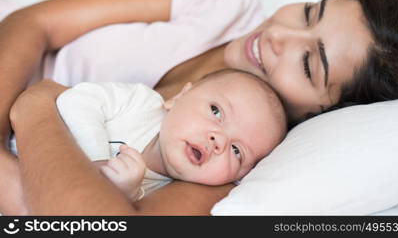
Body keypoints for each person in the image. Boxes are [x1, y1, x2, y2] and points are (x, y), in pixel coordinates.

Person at [1, 0, 398, 215]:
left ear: (319, 114)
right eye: (309, 12)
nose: (280, 36)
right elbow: (33, 22)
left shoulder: (220, 166)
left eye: (309, 64)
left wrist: (37, 110)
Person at [6, 69, 286, 212]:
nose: (218, 141)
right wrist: (95, 160)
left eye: (237, 151)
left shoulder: (164, 193)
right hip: (20, 145)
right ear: (179, 97)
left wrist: (122, 191)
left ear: (240, 177)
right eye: (216, 111)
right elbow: (76, 100)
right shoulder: (140, 103)